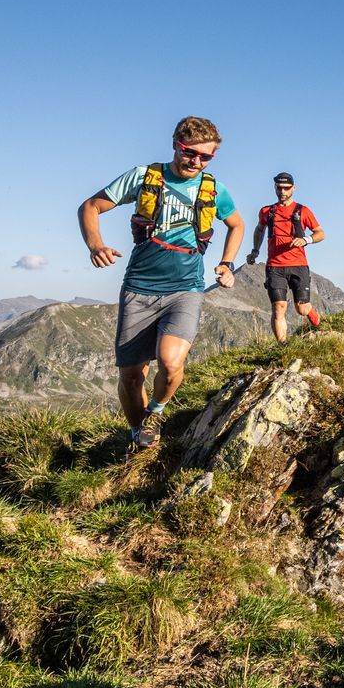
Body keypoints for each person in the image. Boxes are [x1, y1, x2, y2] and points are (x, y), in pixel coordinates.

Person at [78, 116, 244, 449]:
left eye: (205, 157)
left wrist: (227, 263)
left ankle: (156, 411)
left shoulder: (214, 190)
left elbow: (237, 224)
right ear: (175, 145)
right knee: (131, 375)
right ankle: (139, 436)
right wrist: (95, 245)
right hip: (138, 289)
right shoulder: (143, 177)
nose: (196, 162)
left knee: (170, 362)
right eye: (189, 152)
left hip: (186, 289)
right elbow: (91, 206)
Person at [250, 172, 325, 342]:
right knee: (279, 307)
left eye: (286, 188)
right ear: (275, 188)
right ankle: (283, 347)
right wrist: (255, 250)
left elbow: (320, 233)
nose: (282, 191)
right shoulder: (266, 211)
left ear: (294, 188)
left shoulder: (303, 211)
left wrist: (305, 240)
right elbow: (260, 229)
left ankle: (316, 320)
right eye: (279, 188)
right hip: (275, 267)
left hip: (298, 265)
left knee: (302, 308)